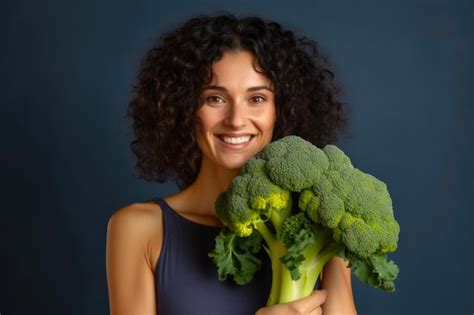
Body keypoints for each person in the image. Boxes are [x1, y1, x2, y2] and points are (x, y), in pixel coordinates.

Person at [106, 13, 357, 315]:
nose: (236, 120)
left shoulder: (318, 226)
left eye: (257, 99)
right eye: (215, 98)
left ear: (283, 110)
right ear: (184, 108)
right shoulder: (139, 229)